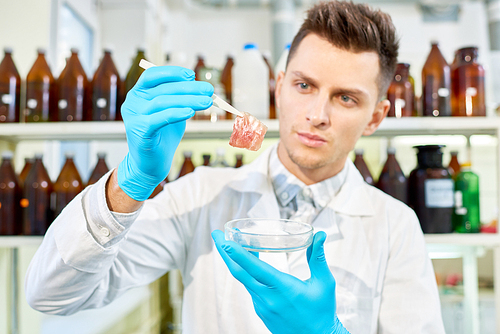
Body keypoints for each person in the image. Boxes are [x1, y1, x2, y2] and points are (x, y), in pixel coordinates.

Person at [25, 1, 445, 333]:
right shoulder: (200, 194)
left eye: (346, 98)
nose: (317, 114)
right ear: (278, 86)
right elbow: (52, 296)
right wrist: (130, 182)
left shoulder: (395, 226)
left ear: (376, 117)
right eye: (304, 85)